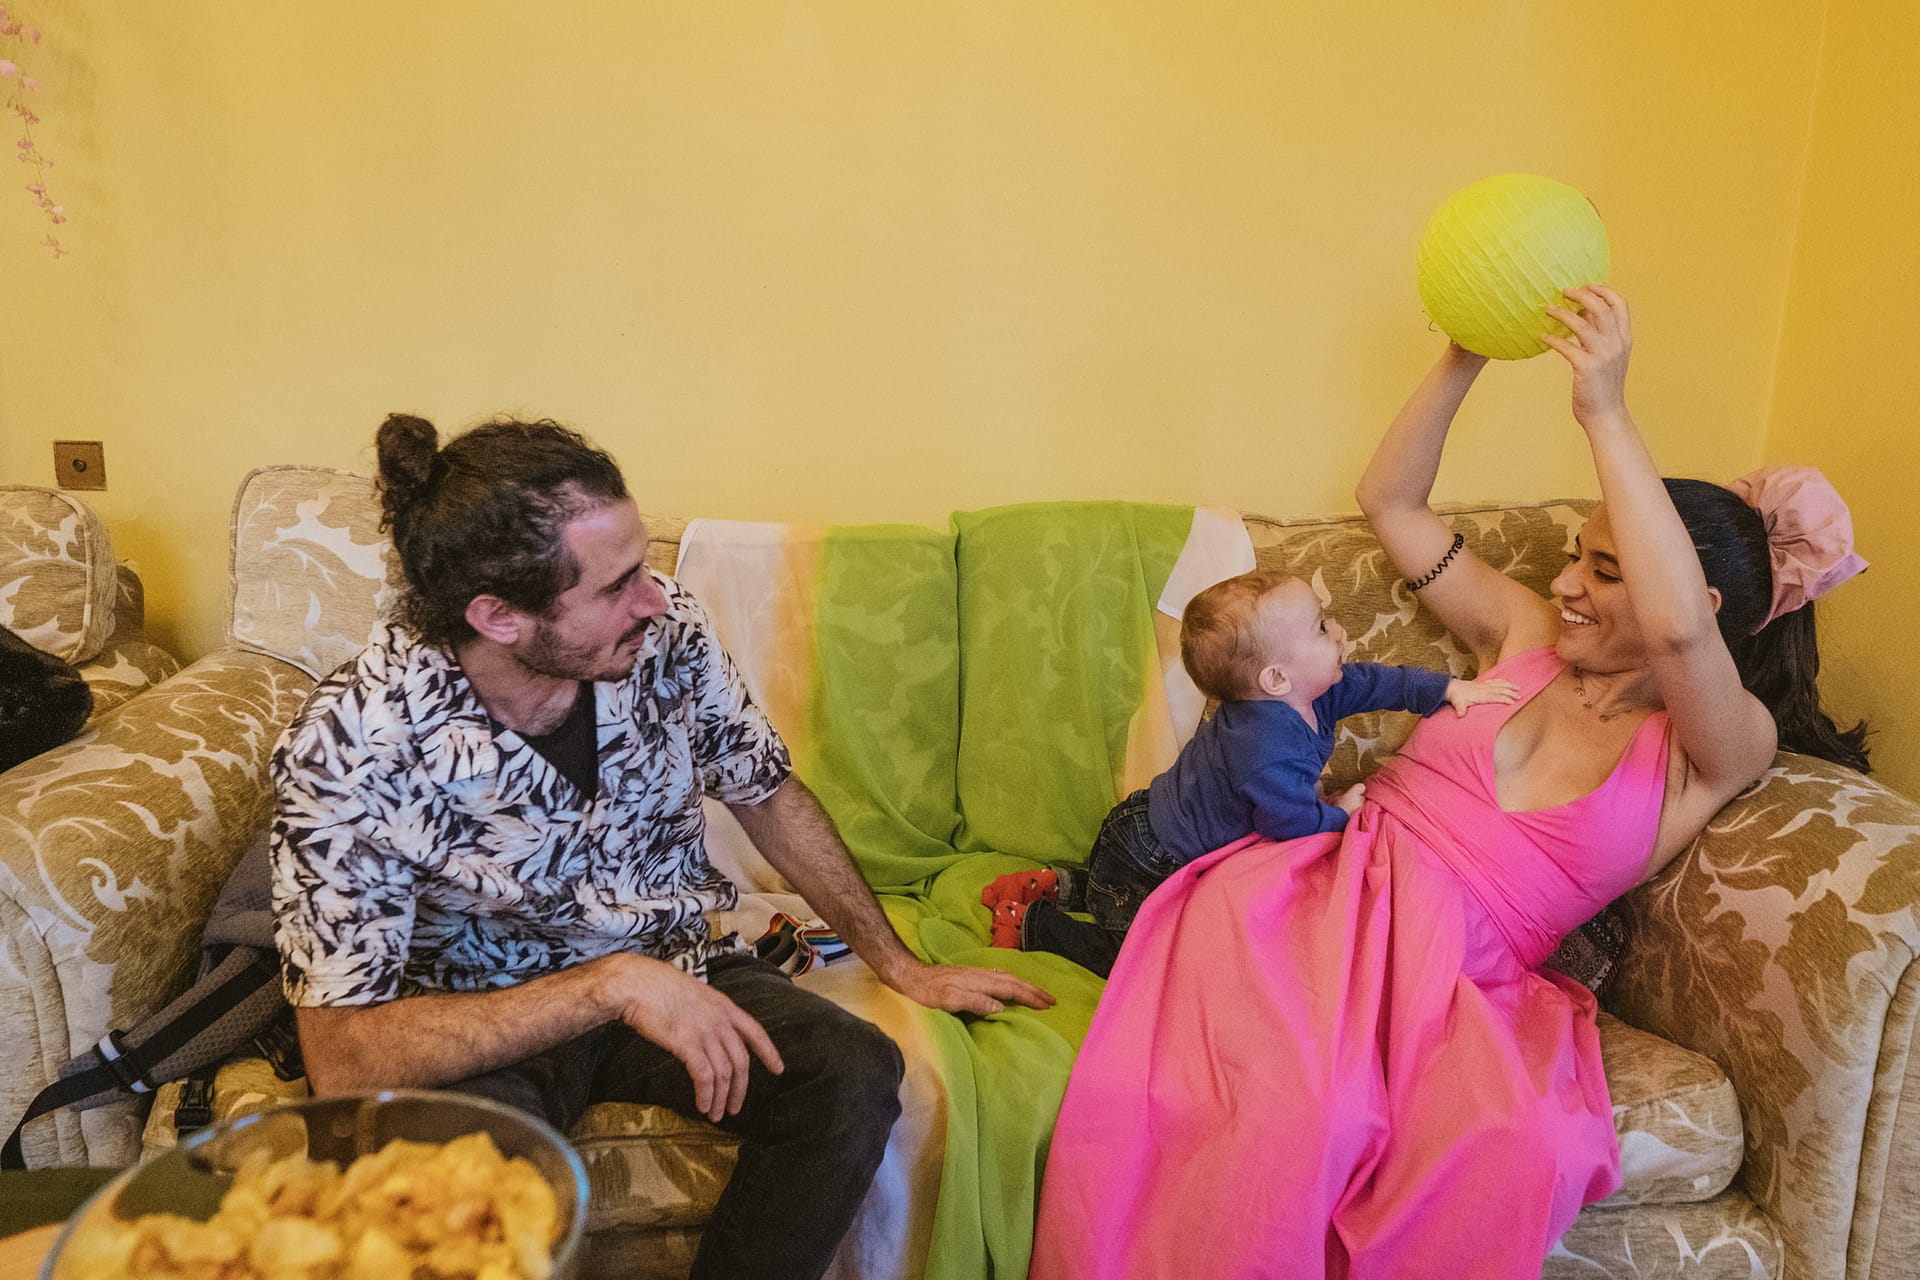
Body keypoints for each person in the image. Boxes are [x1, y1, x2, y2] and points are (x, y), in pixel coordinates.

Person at [1029, 286, 1870, 1279]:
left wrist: (1605, 410)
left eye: (1604, 569)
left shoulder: (1718, 746)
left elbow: (1682, 635)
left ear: (1698, 597)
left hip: (1461, 981)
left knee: (1498, 1144)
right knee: (1278, 1104)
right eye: (1574, 556)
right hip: (1318, 893)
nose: (1564, 583)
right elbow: (1391, 500)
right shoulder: (1524, 636)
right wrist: (1465, 352)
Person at [269, 414, 1052, 1280]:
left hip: (676, 966)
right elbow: (343, 1059)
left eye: (641, 566)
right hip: (478, 1021)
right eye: (616, 586)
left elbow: (765, 791)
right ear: (498, 616)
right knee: (459, 1203)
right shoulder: (350, 747)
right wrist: (608, 986)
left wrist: (901, 966)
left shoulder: (665, 630)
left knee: (850, 1070)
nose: (653, 597)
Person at [981, 569, 1517, 976]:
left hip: (1143, 829)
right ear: (1276, 678)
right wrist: (1338, 814)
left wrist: (1446, 689)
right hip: (1152, 856)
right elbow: (1290, 823)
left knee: (1112, 896)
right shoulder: (1265, 749)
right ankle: (1033, 925)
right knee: (1143, 953)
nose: (1339, 631)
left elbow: (1376, 682)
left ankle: (1056, 884)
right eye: (1321, 627)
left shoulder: (1315, 692)